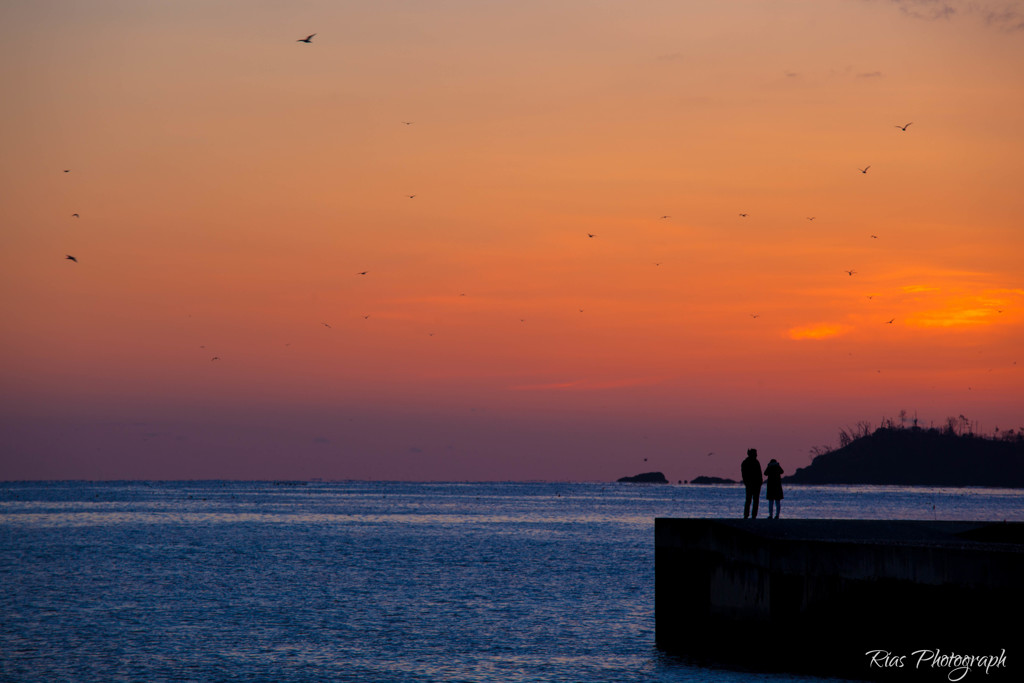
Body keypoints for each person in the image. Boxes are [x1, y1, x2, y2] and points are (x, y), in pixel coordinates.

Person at [740, 448, 763, 519]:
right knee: (752, 500)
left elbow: (759, 473)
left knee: (751, 500)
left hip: (754, 483)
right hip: (752, 483)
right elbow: (744, 473)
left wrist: (760, 481)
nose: (756, 455)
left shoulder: (748, 462)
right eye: (755, 453)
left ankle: (749, 515)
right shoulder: (749, 462)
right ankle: (750, 515)